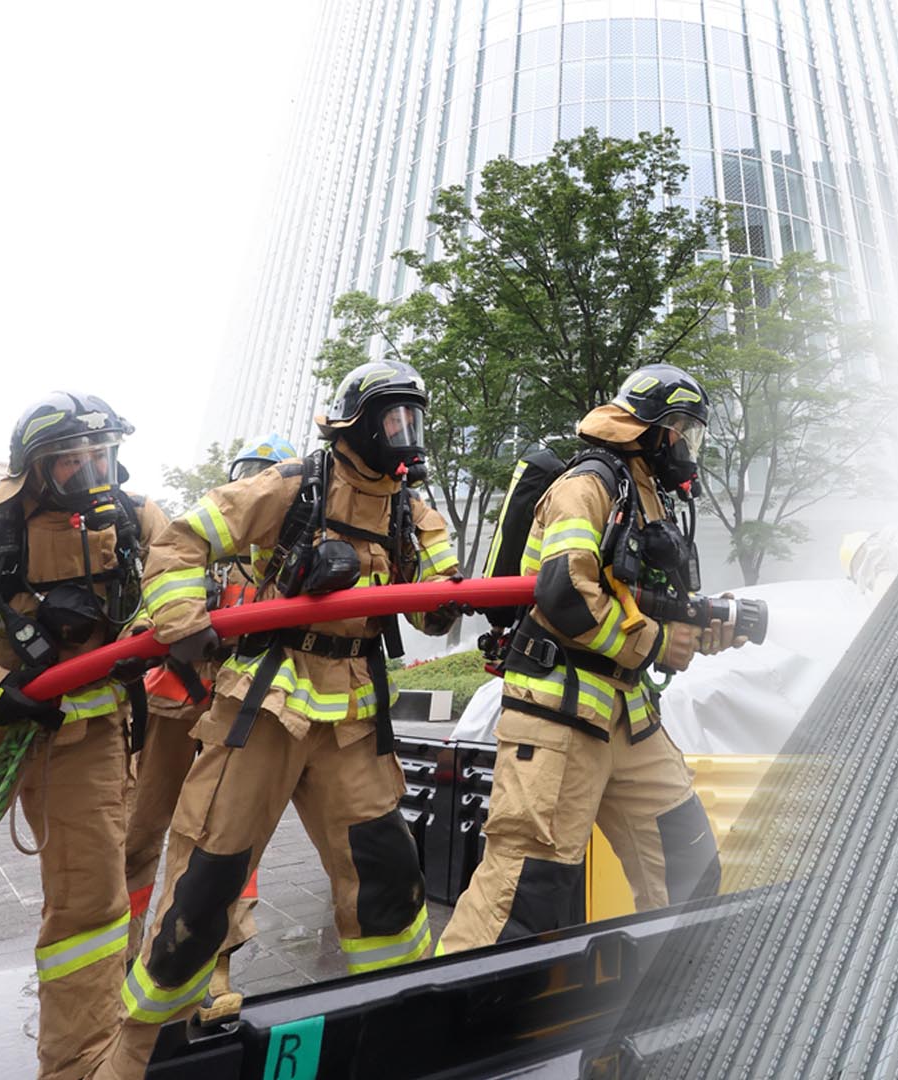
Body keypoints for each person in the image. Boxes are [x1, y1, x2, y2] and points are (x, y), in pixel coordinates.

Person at [99, 363, 461, 1077]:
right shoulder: (293, 486)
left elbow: (438, 595)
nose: (405, 436)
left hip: (354, 718)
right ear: (356, 423)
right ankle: (141, 1057)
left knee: (387, 882)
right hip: (266, 706)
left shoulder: (412, 510)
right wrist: (182, 618)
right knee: (204, 886)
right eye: (393, 420)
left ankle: (395, 1036)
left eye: (413, 421)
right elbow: (178, 540)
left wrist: (442, 598)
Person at [437, 364, 746, 953]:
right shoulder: (588, 485)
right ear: (652, 429)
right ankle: (450, 1026)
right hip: (558, 722)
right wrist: (657, 642)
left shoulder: (649, 499)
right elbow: (564, 594)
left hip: (629, 720)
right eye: (684, 430)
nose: (689, 446)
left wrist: (703, 631)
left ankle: (663, 1002)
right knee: (521, 897)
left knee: (689, 864)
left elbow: (645, 608)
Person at [0, 393, 168, 1078]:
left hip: (87, 737)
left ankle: (79, 1066)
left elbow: (187, 575)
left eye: (101, 455)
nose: (91, 471)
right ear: (36, 471)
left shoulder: (139, 523)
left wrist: (174, 621)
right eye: (71, 461)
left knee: (91, 903)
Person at [122, 433, 298, 1022]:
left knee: (225, 848)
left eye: (267, 478)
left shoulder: (288, 568)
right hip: (175, 713)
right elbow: (148, 610)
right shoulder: (200, 547)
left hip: (236, 718)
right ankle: (121, 956)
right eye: (249, 475)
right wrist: (175, 627)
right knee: (141, 837)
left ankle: (212, 971)